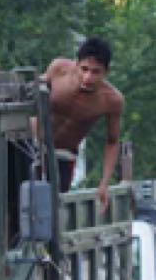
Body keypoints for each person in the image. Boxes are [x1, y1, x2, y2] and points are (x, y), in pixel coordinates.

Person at [44, 36, 123, 209]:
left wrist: (104, 183)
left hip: (63, 156)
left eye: (96, 72)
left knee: (52, 210)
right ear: (76, 64)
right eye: (84, 69)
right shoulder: (58, 69)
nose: (88, 77)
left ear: (106, 72)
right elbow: (33, 95)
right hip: (31, 146)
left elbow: (112, 141)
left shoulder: (111, 100)